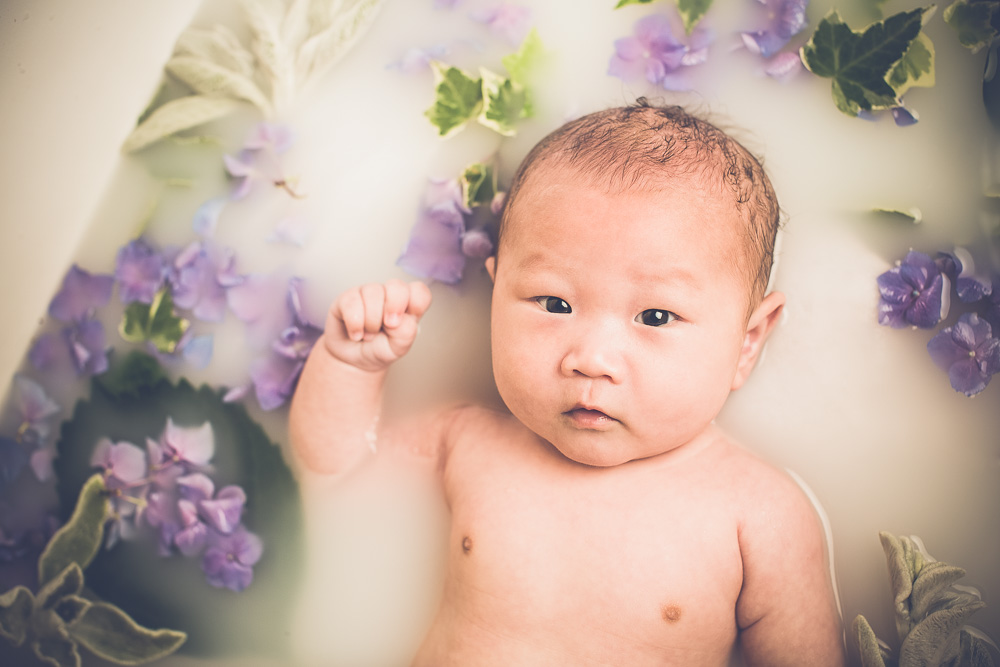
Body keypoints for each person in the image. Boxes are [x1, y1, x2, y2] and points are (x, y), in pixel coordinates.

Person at [289, 99, 846, 665]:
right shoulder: (471, 445)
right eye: (553, 303)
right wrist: (350, 365)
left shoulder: (760, 517)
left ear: (747, 341)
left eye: (655, 317)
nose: (591, 359)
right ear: (498, 288)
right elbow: (340, 473)